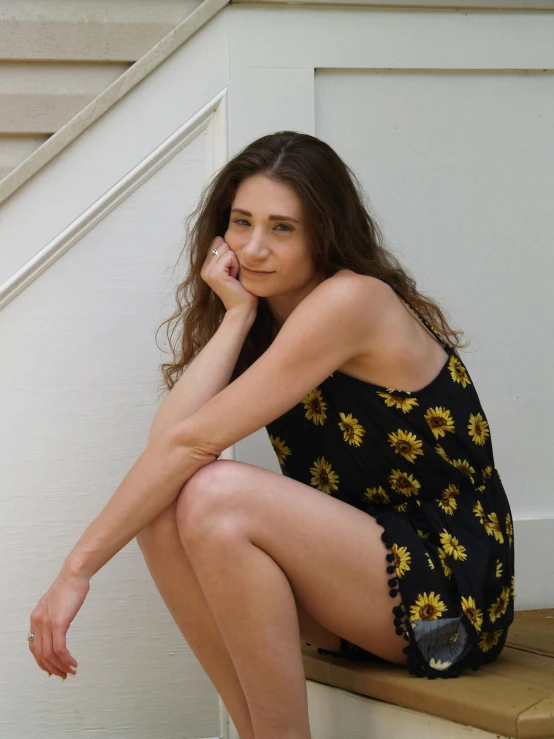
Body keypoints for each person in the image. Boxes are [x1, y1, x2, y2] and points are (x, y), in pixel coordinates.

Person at [28, 131, 515, 739]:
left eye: (282, 228)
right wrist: (235, 316)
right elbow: (170, 443)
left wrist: (76, 572)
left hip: (450, 608)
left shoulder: (352, 301)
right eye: (241, 222)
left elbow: (189, 446)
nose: (254, 248)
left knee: (212, 491)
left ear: (324, 233)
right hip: (362, 595)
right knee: (163, 506)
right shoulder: (267, 315)